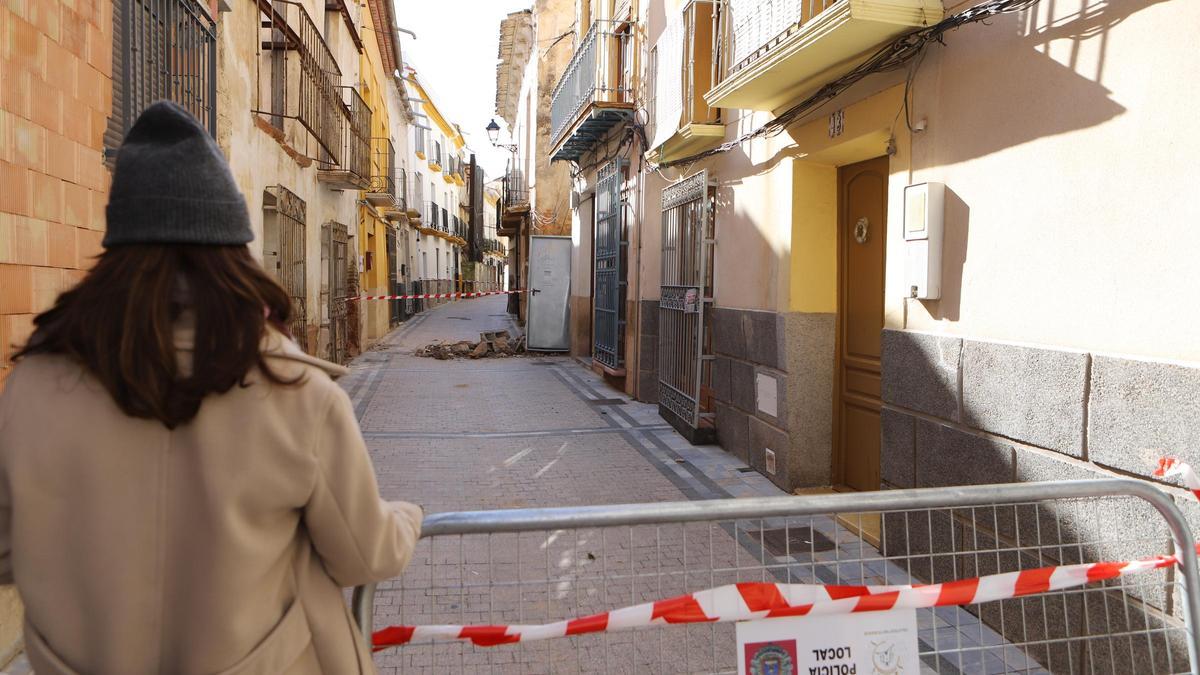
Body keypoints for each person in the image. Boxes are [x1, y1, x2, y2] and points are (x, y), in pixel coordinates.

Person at [0, 102, 423, 674]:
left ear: (117, 247)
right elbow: (364, 555)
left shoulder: (33, 388)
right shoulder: (297, 392)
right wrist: (409, 516)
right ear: (234, 250)